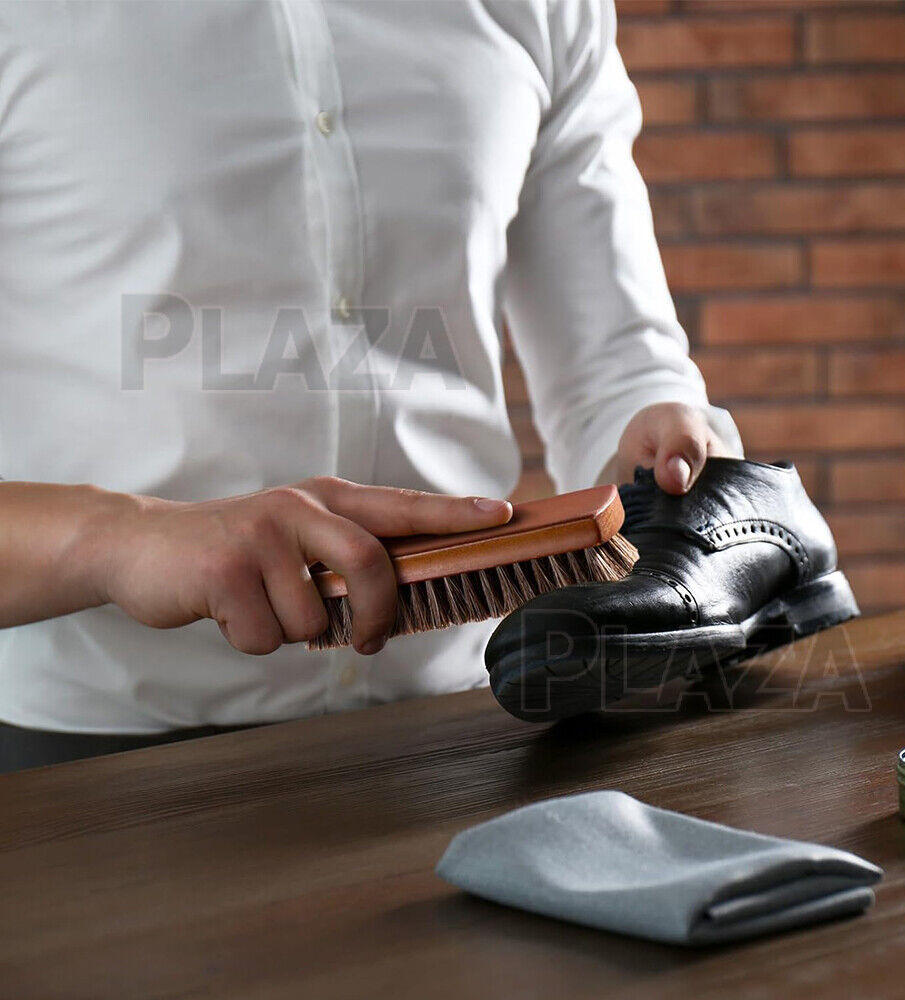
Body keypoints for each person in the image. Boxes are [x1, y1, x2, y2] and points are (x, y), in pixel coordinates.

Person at [0, 0, 741, 768]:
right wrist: (114, 538)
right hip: (94, 762)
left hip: (472, 723)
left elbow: (618, 369)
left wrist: (657, 430)